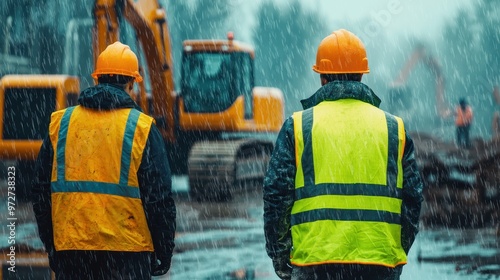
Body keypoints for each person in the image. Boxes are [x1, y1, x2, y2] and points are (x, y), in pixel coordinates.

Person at [263, 29, 424, 280]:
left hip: (314, 265)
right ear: (361, 75)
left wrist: (282, 259)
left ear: (322, 78)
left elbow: (276, 198)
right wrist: (395, 252)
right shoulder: (394, 129)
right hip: (378, 265)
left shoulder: (298, 127)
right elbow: (412, 200)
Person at [31, 41, 176, 280]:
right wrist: (164, 249)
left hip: (73, 254)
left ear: (97, 79)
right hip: (128, 257)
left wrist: (52, 243)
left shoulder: (61, 124)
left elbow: (40, 192)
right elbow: (159, 199)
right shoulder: (141, 129)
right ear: (132, 84)